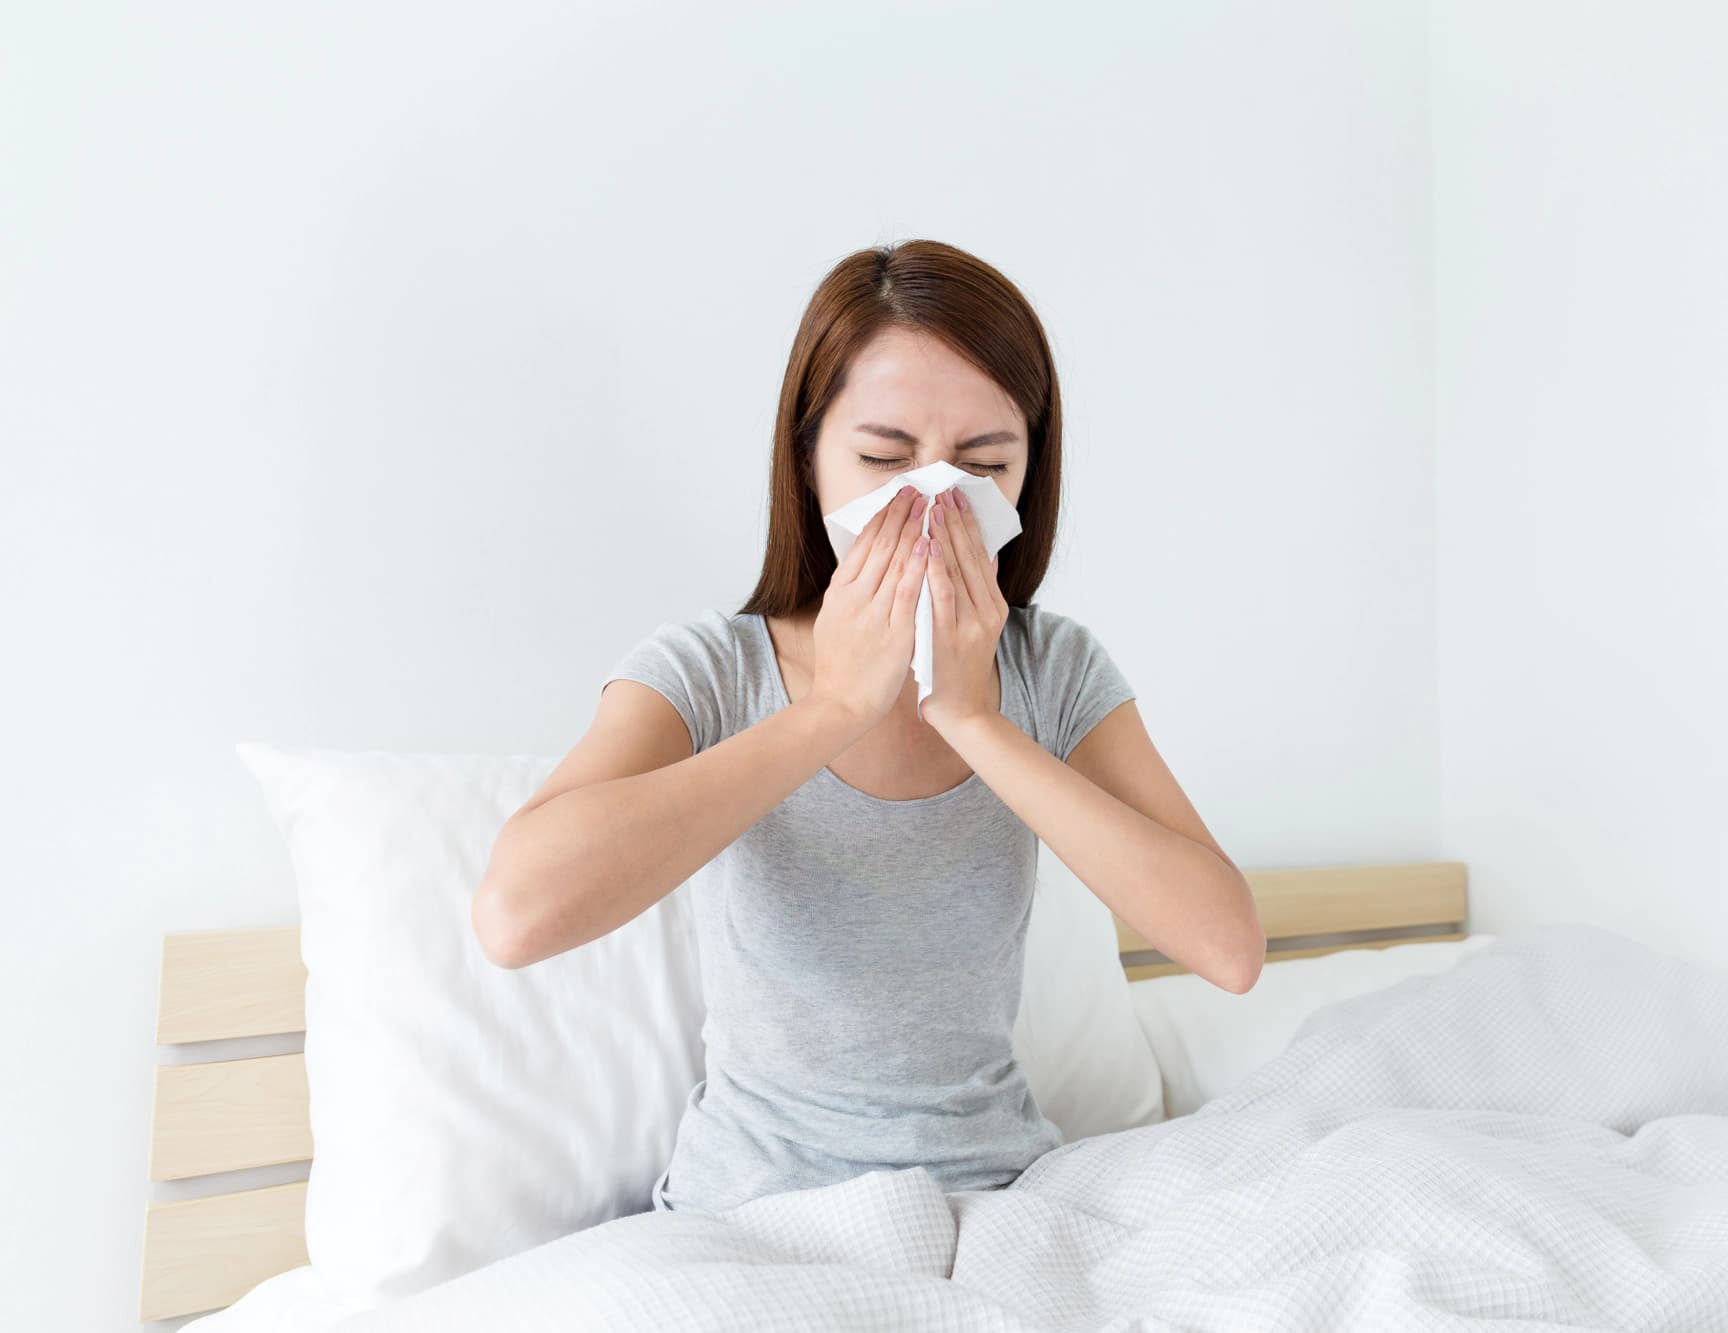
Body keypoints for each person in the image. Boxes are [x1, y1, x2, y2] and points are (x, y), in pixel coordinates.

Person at [471, 238, 1264, 1215]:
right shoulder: (707, 670)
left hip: (995, 1198)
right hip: (752, 1212)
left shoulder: (1052, 668)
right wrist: (833, 708)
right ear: (807, 458)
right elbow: (516, 916)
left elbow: (1228, 950)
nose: (931, 500)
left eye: (981, 465)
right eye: (884, 458)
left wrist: (974, 718)